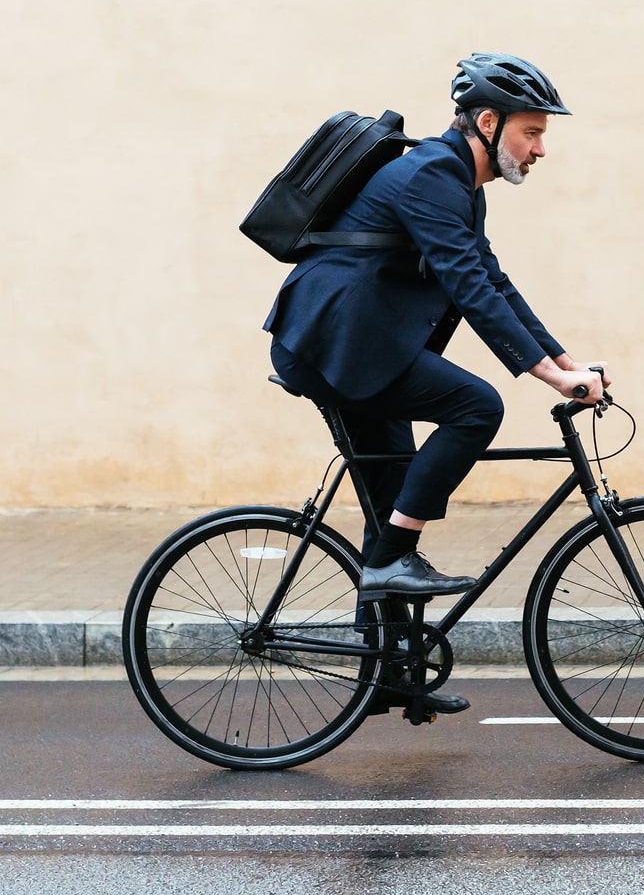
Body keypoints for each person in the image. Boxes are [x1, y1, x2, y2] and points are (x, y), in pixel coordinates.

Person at [262, 53, 611, 715]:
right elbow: (469, 288)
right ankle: (392, 558)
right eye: (531, 132)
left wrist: (566, 361)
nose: (540, 148)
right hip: (336, 345)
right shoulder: (431, 176)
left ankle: (385, 674)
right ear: (488, 121)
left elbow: (493, 278)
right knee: (476, 406)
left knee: (390, 501)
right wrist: (547, 378)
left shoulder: (456, 181)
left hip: (361, 347)